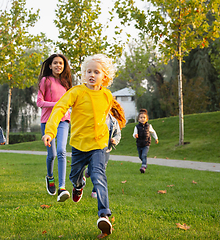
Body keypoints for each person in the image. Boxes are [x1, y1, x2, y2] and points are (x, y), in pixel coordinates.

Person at [41, 54, 115, 236]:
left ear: (104, 76)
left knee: (99, 176)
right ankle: (79, 184)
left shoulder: (107, 95)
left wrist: (109, 138)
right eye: (88, 71)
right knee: (74, 176)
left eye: (96, 72)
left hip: (98, 145)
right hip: (79, 146)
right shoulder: (76, 92)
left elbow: (105, 117)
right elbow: (59, 108)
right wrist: (50, 131)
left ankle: (104, 215)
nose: (91, 75)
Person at [37, 53, 72, 202]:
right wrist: (57, 105)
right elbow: (40, 102)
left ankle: (62, 187)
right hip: (47, 121)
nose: (58, 65)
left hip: (63, 120)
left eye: (61, 63)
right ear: (50, 65)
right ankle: (50, 177)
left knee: (61, 151)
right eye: (56, 63)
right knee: (51, 155)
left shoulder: (66, 83)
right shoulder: (45, 80)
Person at [85, 99, 126, 199]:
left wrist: (115, 140)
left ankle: (95, 190)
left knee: (101, 170)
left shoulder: (113, 121)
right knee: (92, 167)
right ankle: (89, 171)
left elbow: (118, 134)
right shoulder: (95, 119)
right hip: (94, 149)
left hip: (106, 150)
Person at [133, 108, 159, 173]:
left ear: (147, 119)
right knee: (140, 156)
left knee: (144, 155)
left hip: (146, 143)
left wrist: (156, 138)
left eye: (144, 117)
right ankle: (145, 163)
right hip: (139, 144)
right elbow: (134, 133)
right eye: (141, 117)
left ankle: (143, 166)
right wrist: (135, 135)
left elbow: (153, 132)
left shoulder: (149, 126)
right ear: (138, 119)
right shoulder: (137, 127)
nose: (142, 119)